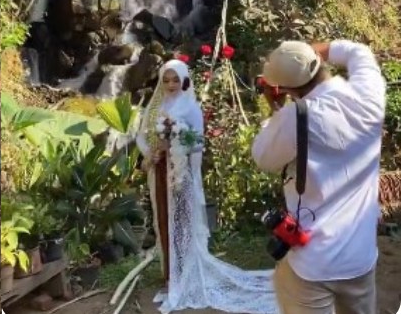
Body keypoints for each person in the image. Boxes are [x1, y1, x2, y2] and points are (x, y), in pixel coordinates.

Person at [135, 59, 277, 314]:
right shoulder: (155, 104)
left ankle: (187, 274)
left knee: (183, 223)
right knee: (164, 223)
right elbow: (142, 134)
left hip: (181, 172)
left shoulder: (190, 107)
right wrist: (151, 154)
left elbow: (199, 142)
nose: (170, 84)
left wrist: (178, 142)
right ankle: (170, 276)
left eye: (175, 79)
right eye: (166, 79)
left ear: (184, 80)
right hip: (159, 170)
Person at [253, 40, 384, 314]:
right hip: (360, 257)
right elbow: (358, 51)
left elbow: (263, 158)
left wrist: (275, 112)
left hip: (313, 262)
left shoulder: (293, 118)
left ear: (285, 89)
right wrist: (312, 51)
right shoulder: (370, 94)